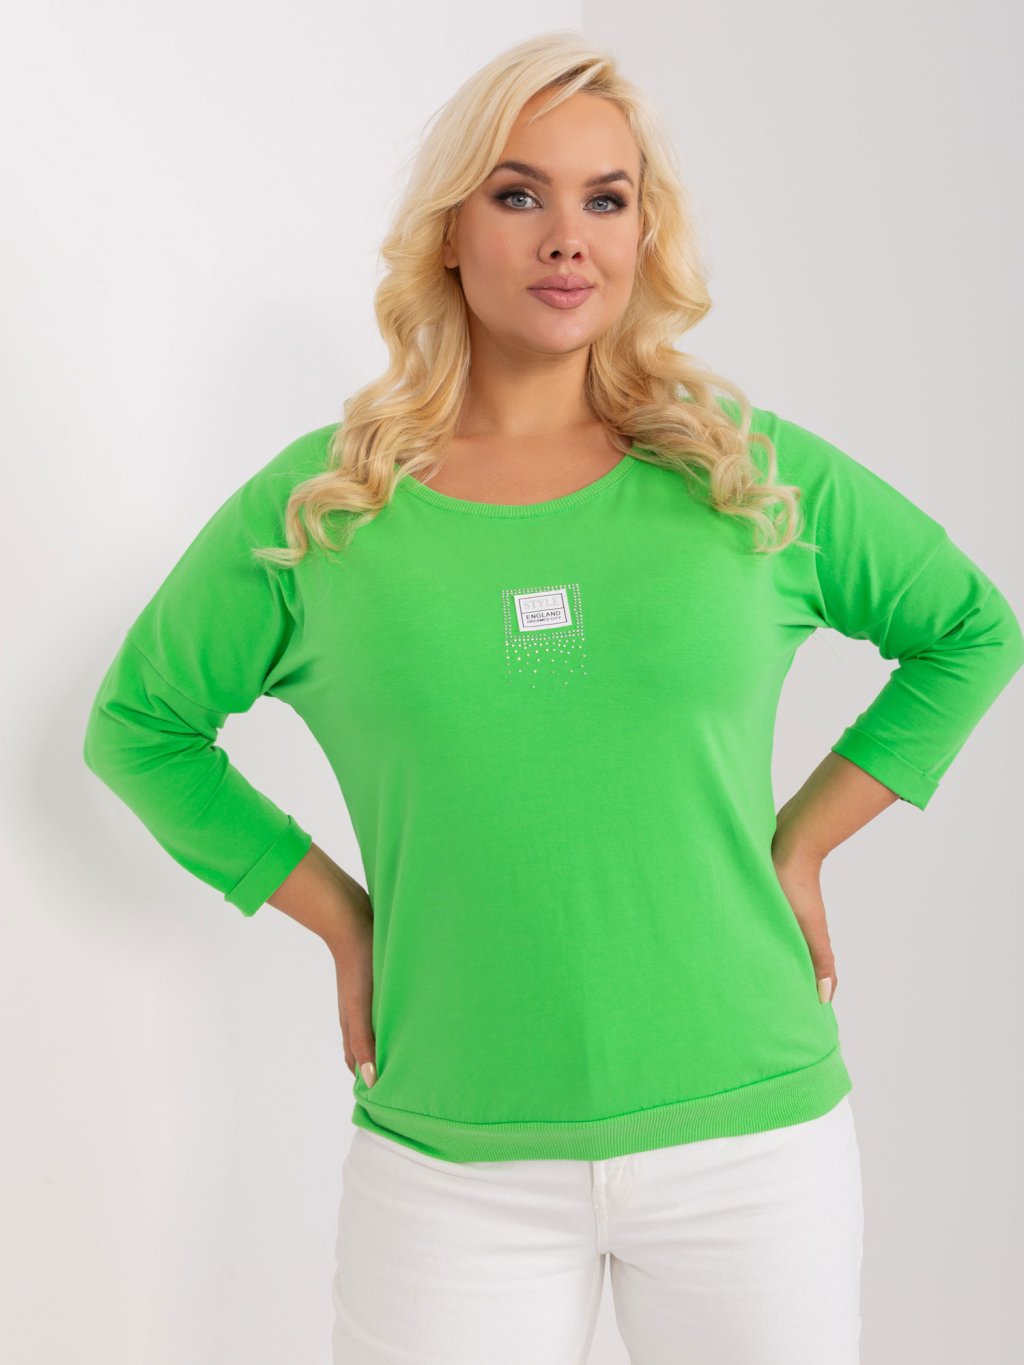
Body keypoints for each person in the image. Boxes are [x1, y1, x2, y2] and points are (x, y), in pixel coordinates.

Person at [82, 30, 1024, 1365]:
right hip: (449, 1156)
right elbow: (140, 728)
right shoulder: (323, 512)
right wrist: (344, 920)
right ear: (449, 233)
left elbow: (971, 630)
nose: (568, 237)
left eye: (607, 198)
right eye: (519, 194)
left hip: (752, 1141)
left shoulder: (745, 478)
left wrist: (805, 843)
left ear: (644, 234)